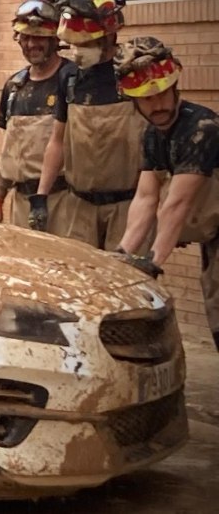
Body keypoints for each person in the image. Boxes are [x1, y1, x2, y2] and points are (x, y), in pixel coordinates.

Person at [114, 37, 219, 349]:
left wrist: (153, 263)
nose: (156, 104)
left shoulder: (201, 127)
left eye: (161, 94)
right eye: (146, 99)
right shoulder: (153, 134)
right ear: (133, 100)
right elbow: (146, 198)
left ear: (174, 87)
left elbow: (177, 204)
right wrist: (121, 258)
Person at [31, 0, 143, 249]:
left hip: (126, 207)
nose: (77, 51)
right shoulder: (70, 79)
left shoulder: (131, 74)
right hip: (79, 207)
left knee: (125, 281)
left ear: (108, 36)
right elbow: (57, 141)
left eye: (84, 44)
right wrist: (41, 196)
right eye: (73, 45)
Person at [0, 0, 77, 230]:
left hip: (62, 201)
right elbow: (8, 150)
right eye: (26, 37)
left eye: (38, 37)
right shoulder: (14, 87)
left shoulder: (72, 80)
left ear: (54, 39)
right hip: (21, 204)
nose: (31, 44)